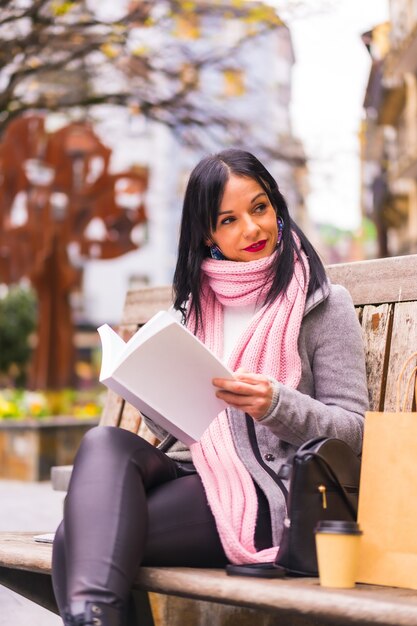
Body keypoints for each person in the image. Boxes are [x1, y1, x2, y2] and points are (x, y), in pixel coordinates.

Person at [52, 149, 369, 626]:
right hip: (194, 470)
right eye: (229, 219)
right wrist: (151, 388)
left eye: (260, 208)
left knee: (71, 541)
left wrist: (275, 404)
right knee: (103, 441)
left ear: (277, 207)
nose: (252, 229)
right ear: (207, 233)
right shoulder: (194, 308)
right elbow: (187, 424)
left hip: (267, 488)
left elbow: (356, 431)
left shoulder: (322, 304)